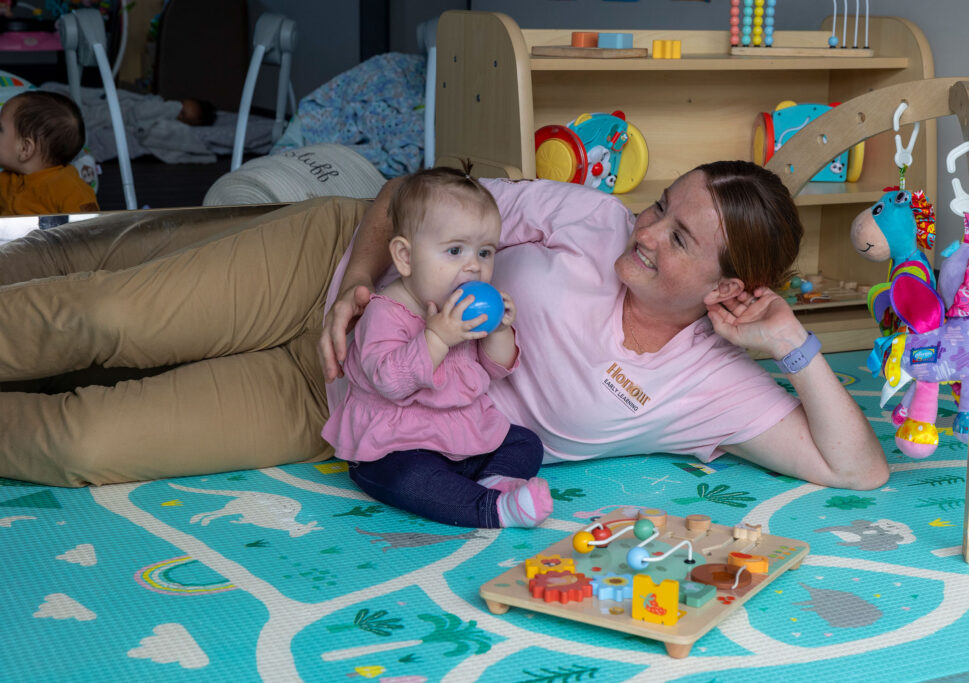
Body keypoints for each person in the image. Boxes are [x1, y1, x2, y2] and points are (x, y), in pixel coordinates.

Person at [0, 160, 888, 493]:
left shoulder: (708, 385)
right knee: (101, 313)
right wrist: (356, 283)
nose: (645, 229)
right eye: (661, 206)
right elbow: (411, 191)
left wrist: (792, 347)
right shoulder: (588, 219)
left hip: (343, 408)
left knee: (83, 440)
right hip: (330, 272)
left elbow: (856, 469)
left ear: (730, 288)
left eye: (679, 235)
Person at [325, 167, 550, 528]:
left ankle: (494, 481)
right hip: (396, 446)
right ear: (405, 257)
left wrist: (499, 330)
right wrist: (438, 338)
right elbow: (390, 382)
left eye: (486, 252)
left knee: (525, 443)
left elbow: (496, 368)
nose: (474, 266)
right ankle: (492, 509)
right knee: (410, 479)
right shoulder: (385, 311)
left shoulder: (459, 309)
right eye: (455, 250)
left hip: (464, 435)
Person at [0, 90, 99, 216]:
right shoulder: (6, 179)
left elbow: (90, 227)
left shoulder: (69, 190)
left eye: (0, 129)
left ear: (25, 149)